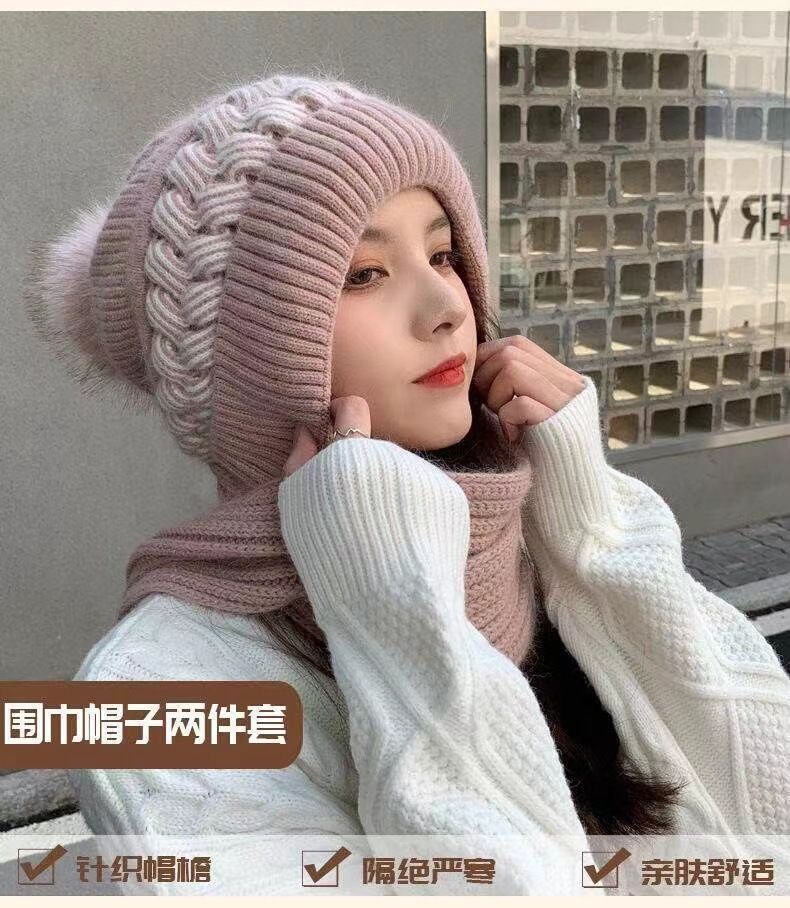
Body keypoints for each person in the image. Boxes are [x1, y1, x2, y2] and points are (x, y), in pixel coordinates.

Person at [24, 73, 790, 896]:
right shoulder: (161, 690)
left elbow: (761, 792)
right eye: (363, 274)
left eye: (442, 254)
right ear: (252, 362)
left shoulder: (529, 540)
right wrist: (385, 607)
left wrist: (592, 521)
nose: (446, 309)